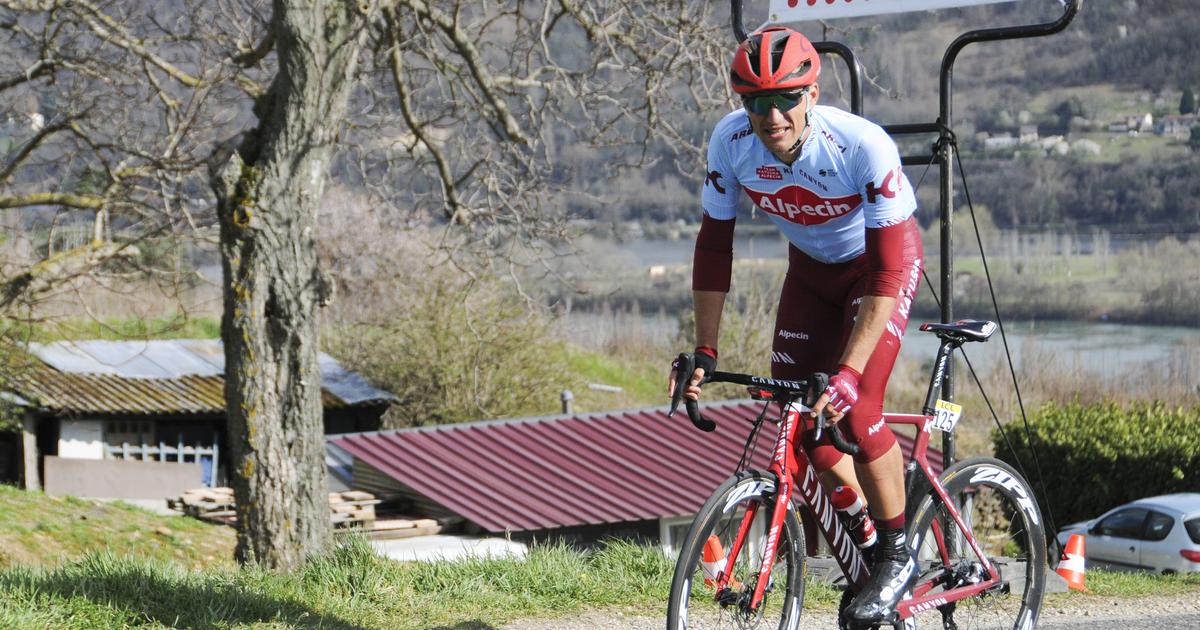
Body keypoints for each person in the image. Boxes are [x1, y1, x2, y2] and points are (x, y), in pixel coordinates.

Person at [667, 25, 923, 626]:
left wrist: (850, 373)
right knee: (800, 421)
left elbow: (887, 274)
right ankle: (860, 537)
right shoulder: (731, 143)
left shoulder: (862, 146)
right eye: (755, 101)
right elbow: (713, 248)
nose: (771, 114)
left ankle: (896, 551)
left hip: (879, 269)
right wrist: (705, 348)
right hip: (810, 273)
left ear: (812, 94)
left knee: (854, 408)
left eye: (784, 98)